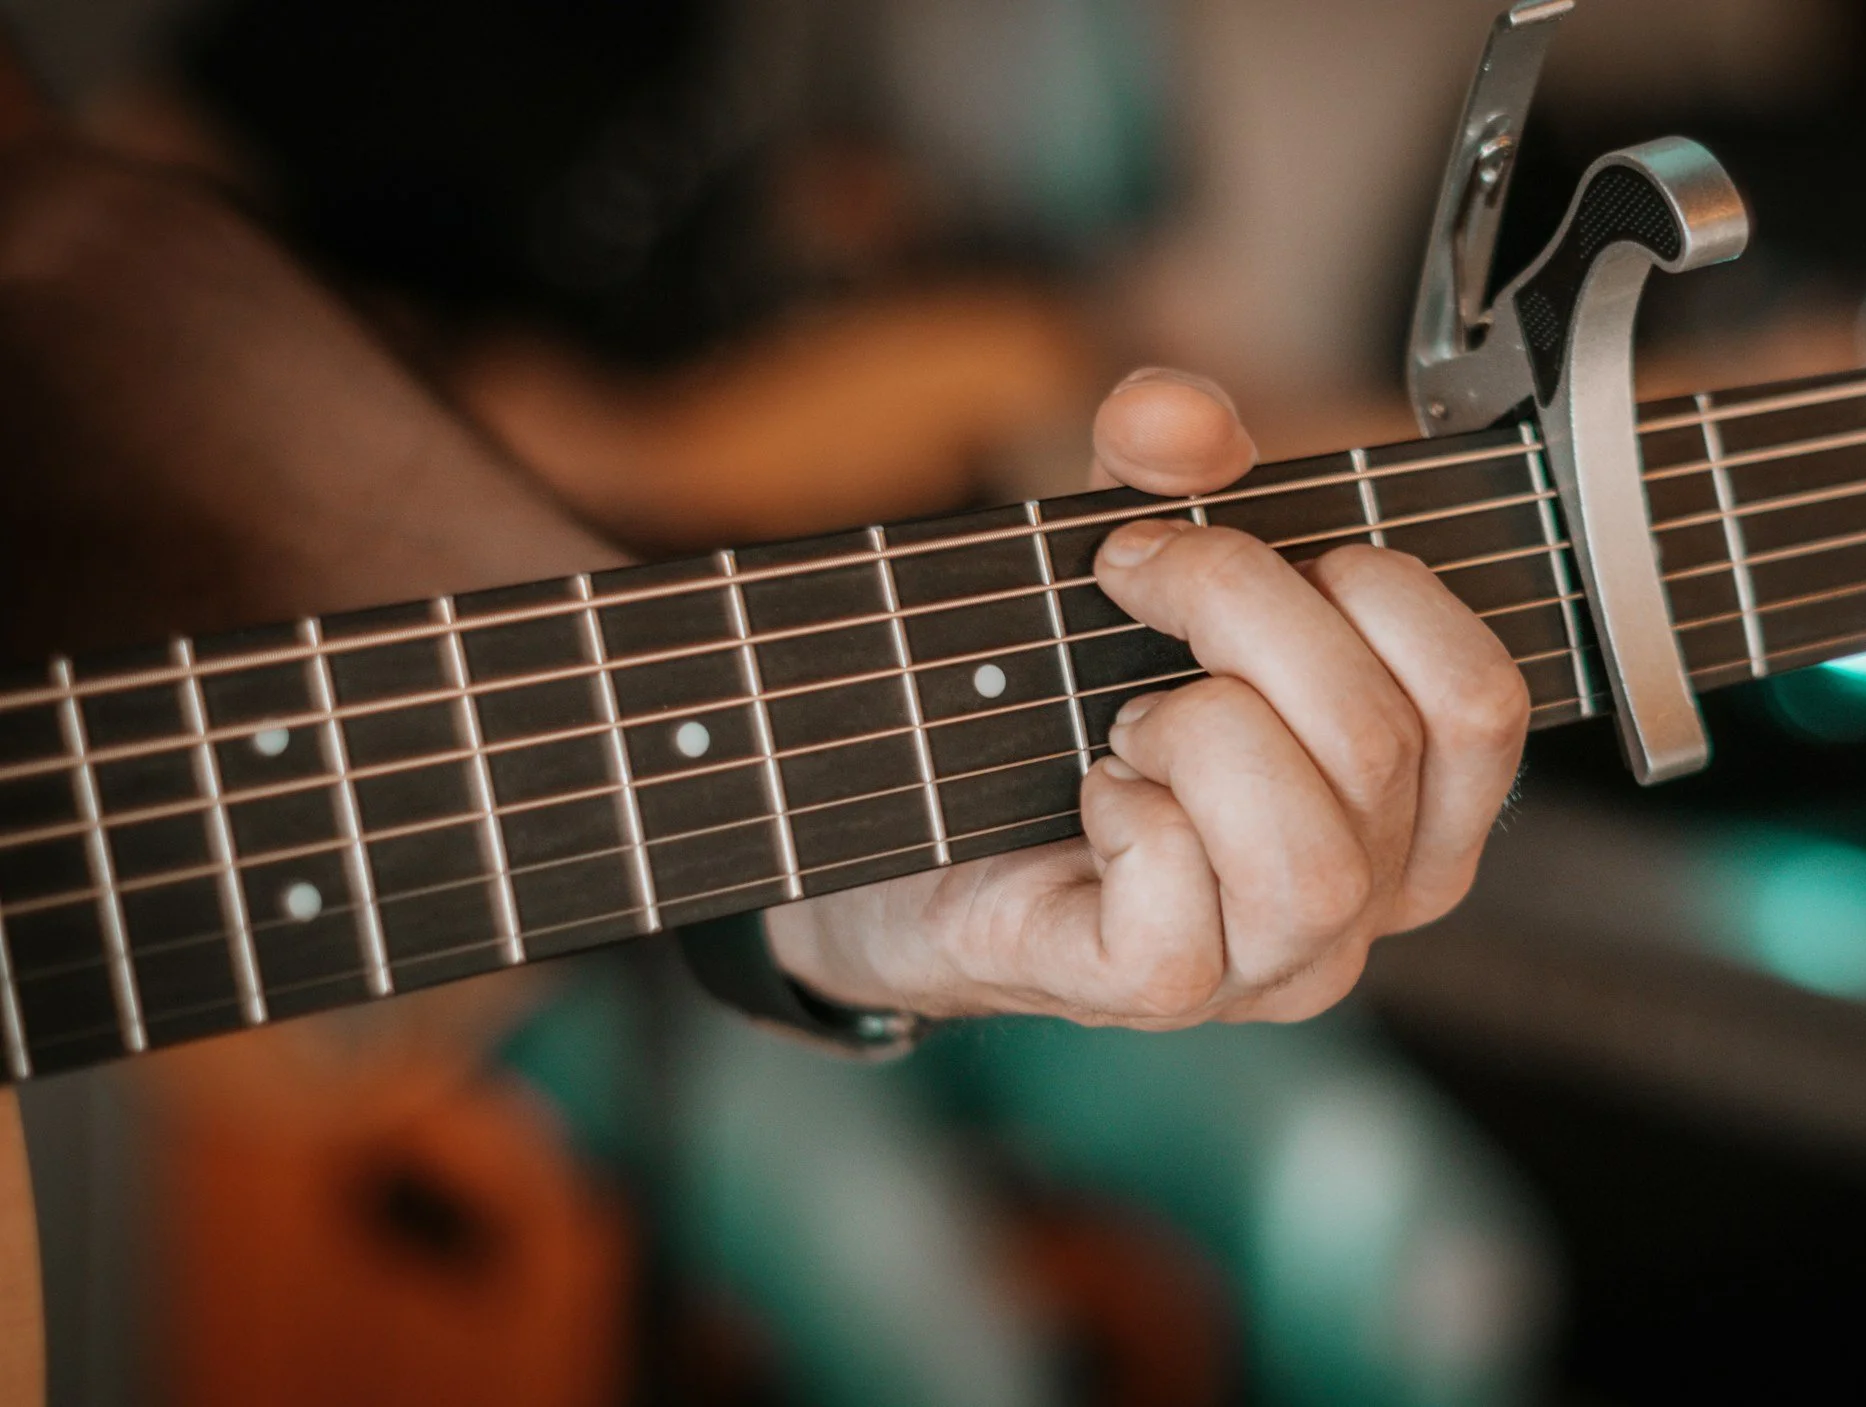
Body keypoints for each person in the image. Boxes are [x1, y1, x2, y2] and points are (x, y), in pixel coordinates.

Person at [0, 34, 1529, 1397]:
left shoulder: (927, 65)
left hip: (891, 788)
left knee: (1424, 1262)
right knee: (949, 1344)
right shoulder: (348, 65)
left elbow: (1040, 368)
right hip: (503, 912)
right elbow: (109, 251)